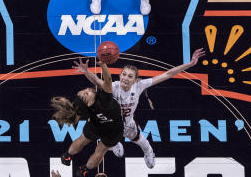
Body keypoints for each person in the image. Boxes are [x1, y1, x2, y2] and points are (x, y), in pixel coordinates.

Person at [75, 49, 206, 169]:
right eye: (124, 74)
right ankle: (114, 144)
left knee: (141, 141)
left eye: (130, 76)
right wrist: (87, 72)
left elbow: (168, 74)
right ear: (120, 75)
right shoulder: (113, 86)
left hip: (128, 124)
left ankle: (149, 153)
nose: (125, 78)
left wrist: (190, 64)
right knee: (106, 138)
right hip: (111, 126)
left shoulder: (139, 85)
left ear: (135, 80)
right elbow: (97, 81)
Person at [52, 59, 124, 177]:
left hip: (95, 124)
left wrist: (86, 72)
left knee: (82, 140)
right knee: (100, 151)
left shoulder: (83, 109)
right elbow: (107, 80)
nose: (87, 90)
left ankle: (67, 156)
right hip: (114, 130)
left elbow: (96, 82)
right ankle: (84, 169)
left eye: (84, 91)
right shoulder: (104, 99)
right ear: (89, 102)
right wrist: (103, 65)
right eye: (86, 94)